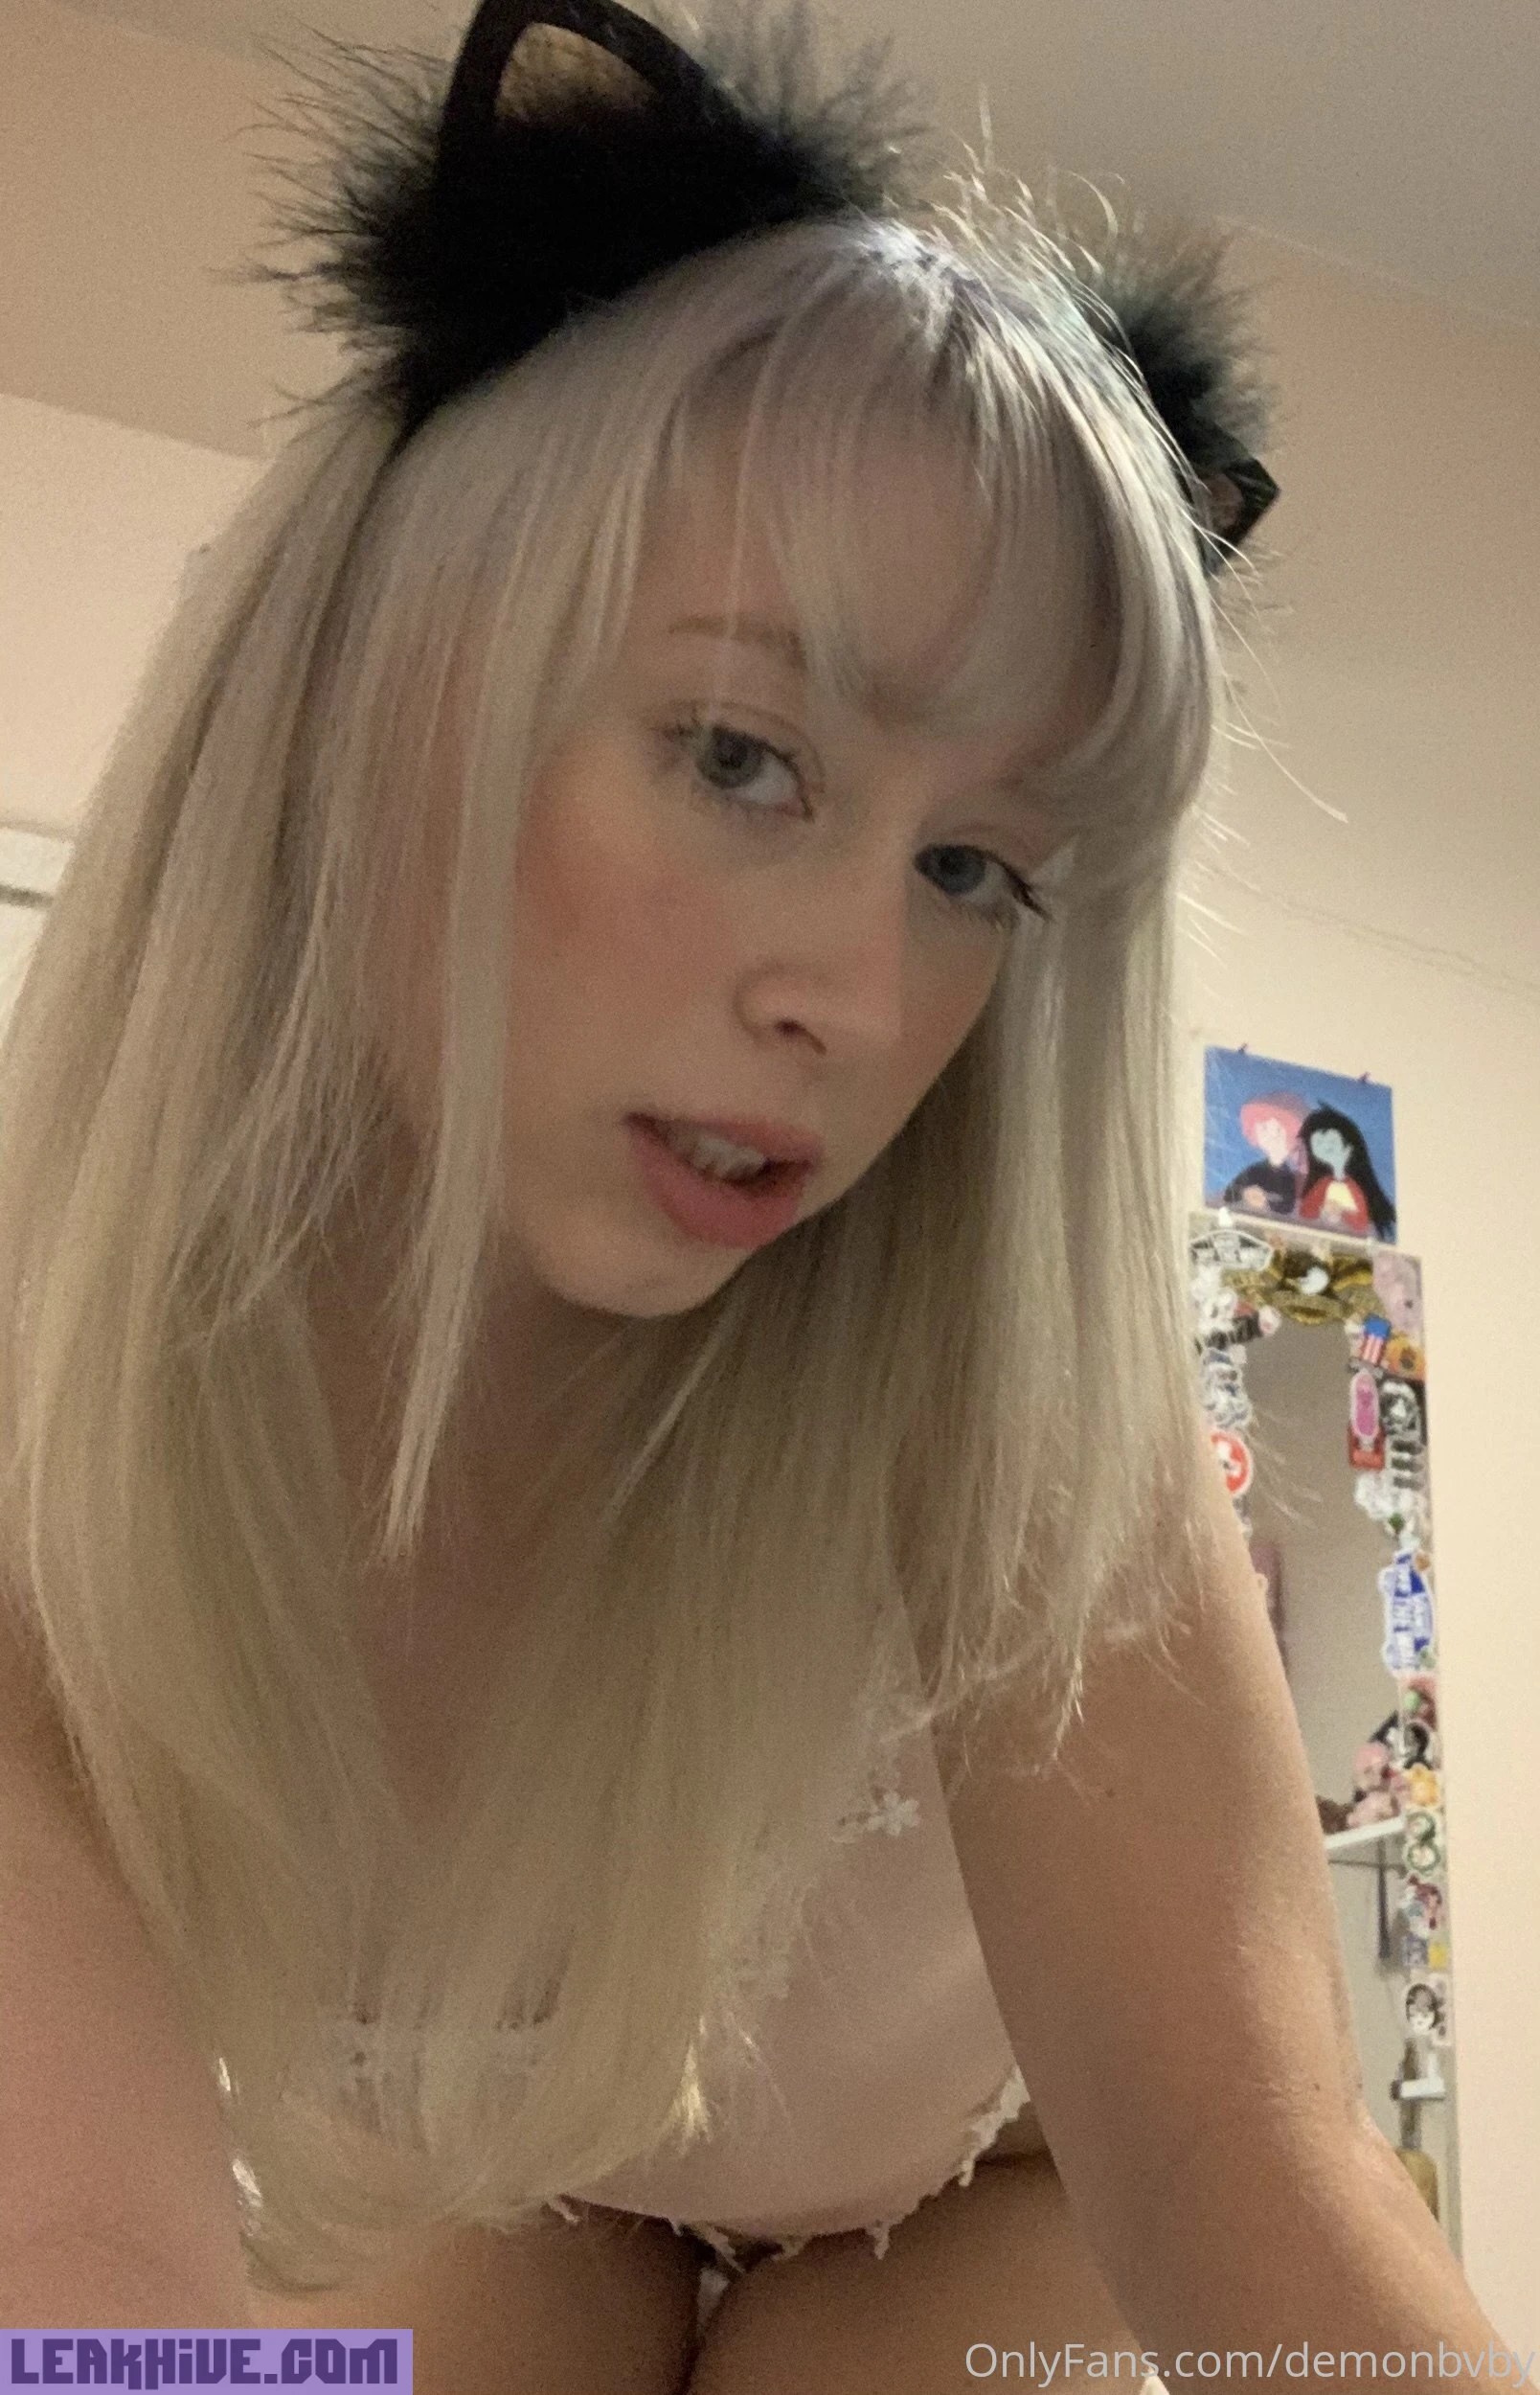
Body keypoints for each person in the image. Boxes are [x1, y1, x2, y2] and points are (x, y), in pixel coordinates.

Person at [0, 0, 1516, 2387]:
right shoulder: (65, 1418)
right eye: (737, 752)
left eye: (975, 868)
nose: (863, 993)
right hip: (535, 2169)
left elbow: (1241, 2165)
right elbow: (81, 2277)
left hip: (990, 2189)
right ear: (370, 677)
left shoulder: (1017, 1417)